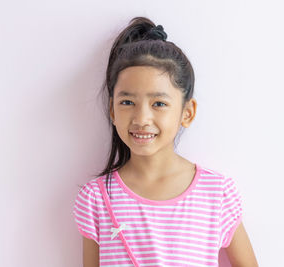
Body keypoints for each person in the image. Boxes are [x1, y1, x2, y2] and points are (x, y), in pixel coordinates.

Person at [73, 16, 258, 267]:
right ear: (113, 111)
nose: (142, 118)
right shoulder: (96, 197)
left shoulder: (217, 194)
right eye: (127, 102)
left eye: (159, 104)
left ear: (187, 112)